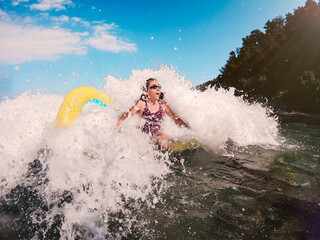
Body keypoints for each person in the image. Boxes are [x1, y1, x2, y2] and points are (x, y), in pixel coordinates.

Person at [117, 78, 189, 148]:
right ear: (147, 91)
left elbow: (175, 119)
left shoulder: (163, 106)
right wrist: (118, 131)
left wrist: (189, 130)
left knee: (163, 141)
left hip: (158, 134)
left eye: (159, 86)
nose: (158, 89)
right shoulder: (141, 104)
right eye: (154, 87)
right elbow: (123, 118)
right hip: (145, 135)